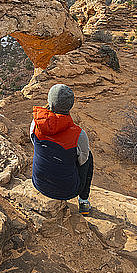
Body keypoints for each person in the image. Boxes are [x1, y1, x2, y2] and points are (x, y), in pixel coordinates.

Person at [30, 83, 93, 215]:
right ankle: (83, 201)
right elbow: (83, 161)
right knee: (88, 157)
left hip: (39, 183)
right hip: (68, 191)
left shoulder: (36, 124)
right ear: (70, 106)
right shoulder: (78, 134)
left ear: (50, 103)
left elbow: (33, 142)